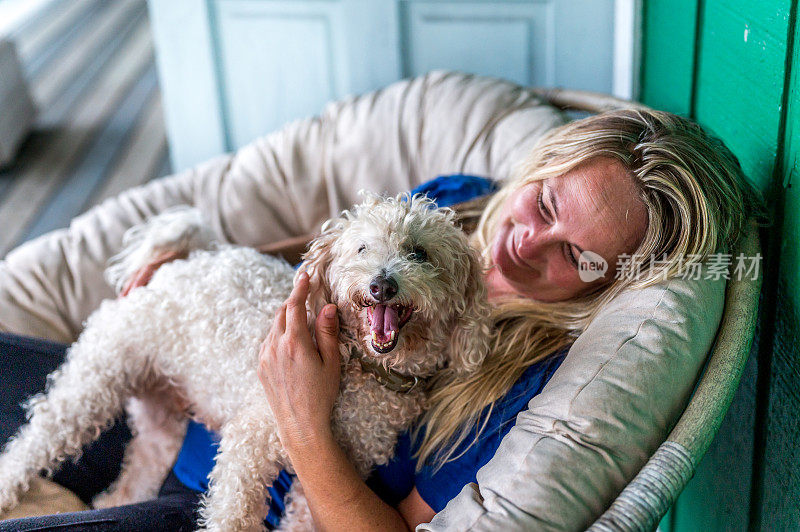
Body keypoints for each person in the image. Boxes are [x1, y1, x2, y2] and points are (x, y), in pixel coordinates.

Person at [0, 109, 763, 530]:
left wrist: (302, 422)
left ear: (605, 288)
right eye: (548, 204)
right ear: (546, 162)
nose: (529, 245)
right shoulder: (455, 196)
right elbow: (329, 257)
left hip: (212, 510)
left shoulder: (522, 379)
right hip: (174, 391)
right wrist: (191, 249)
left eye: (580, 259)